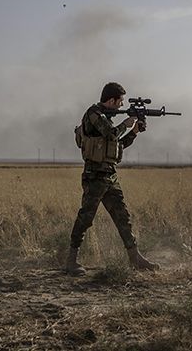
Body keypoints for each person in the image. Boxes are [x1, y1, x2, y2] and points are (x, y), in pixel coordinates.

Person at [66, 82, 160, 276]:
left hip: (110, 174)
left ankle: (135, 258)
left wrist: (133, 132)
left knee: (122, 217)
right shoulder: (94, 114)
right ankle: (71, 260)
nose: (121, 106)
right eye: (120, 102)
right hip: (94, 176)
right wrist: (126, 124)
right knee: (86, 218)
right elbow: (111, 134)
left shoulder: (107, 119)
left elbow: (118, 146)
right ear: (111, 100)